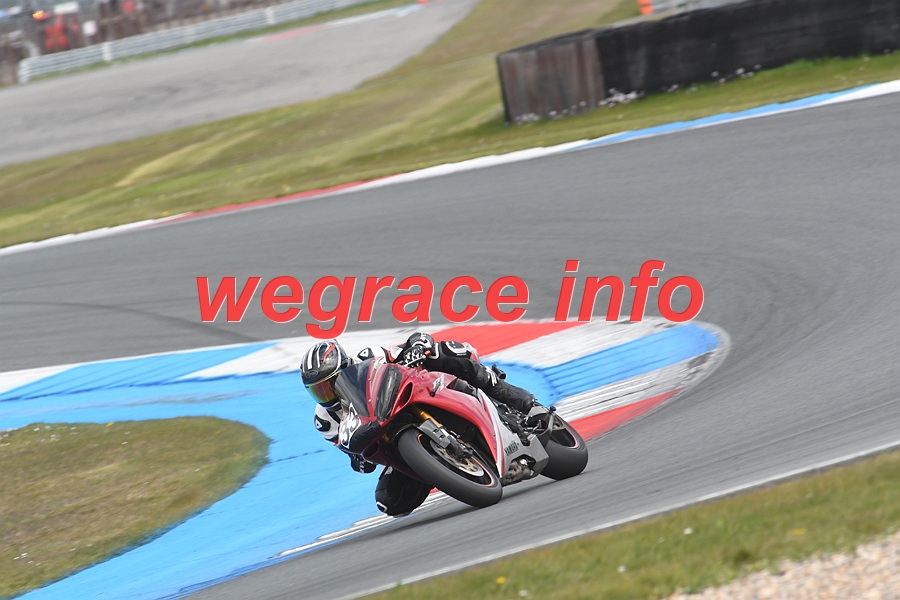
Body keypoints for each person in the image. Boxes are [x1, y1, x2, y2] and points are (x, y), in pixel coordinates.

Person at [301, 332, 549, 517]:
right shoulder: (326, 420)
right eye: (318, 391)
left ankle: (518, 399)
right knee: (389, 501)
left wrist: (417, 347)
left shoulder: (368, 358)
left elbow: (415, 341)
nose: (328, 393)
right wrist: (359, 459)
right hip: (391, 438)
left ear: (345, 367)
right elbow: (353, 455)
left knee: (443, 352)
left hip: (421, 391)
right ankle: (441, 467)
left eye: (330, 384)